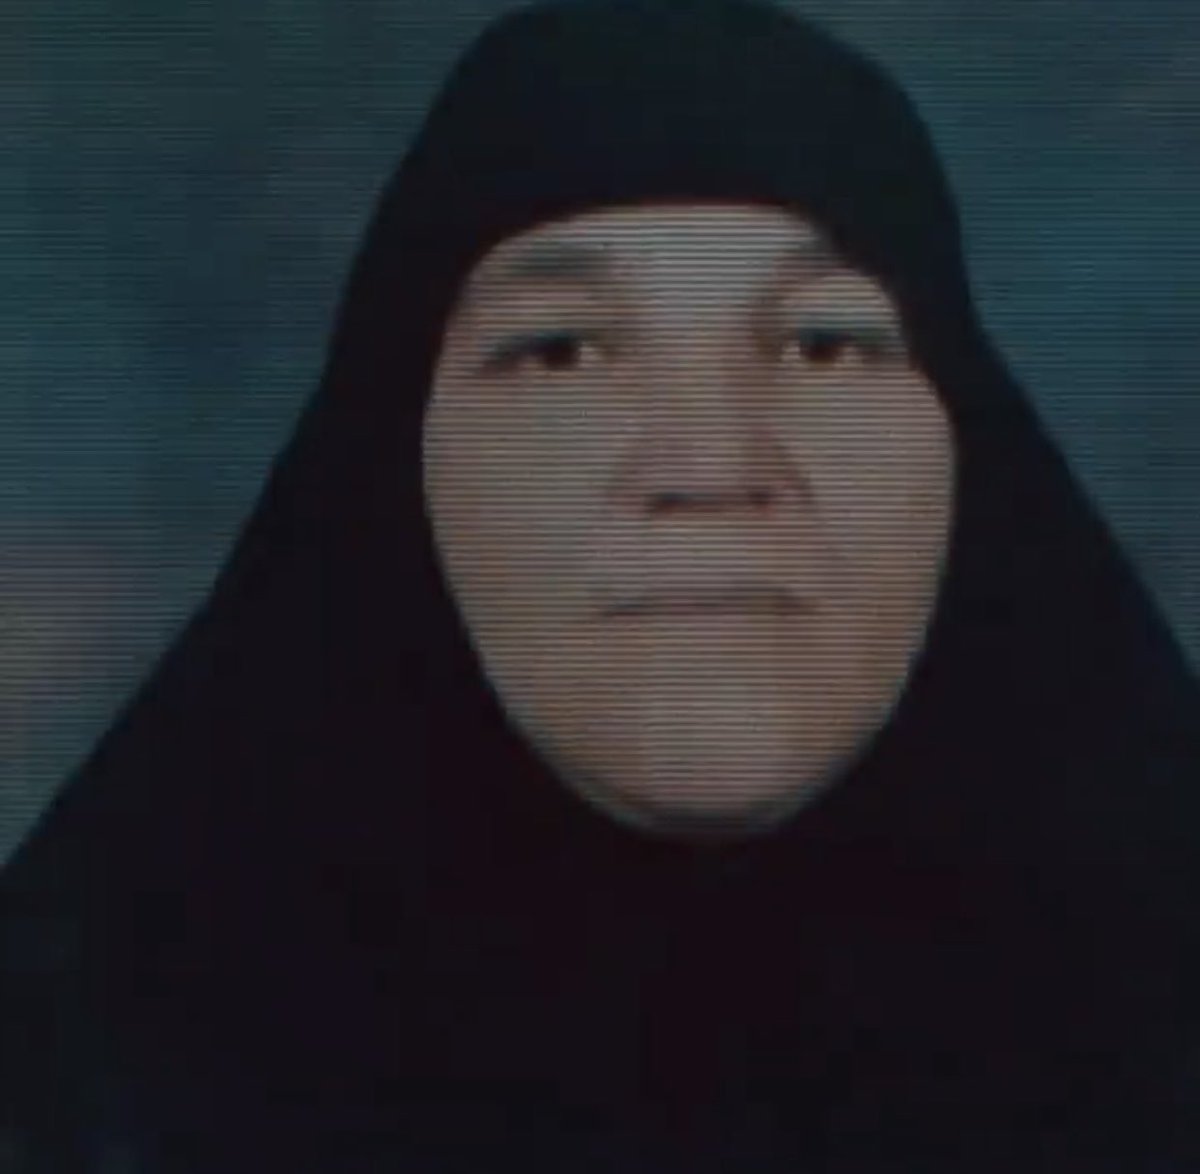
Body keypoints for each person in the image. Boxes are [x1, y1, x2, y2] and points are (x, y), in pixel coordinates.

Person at [4, 0, 1200, 1170]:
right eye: (561, 352)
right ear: (394, 460)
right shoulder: (72, 1067)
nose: (708, 464)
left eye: (823, 344)